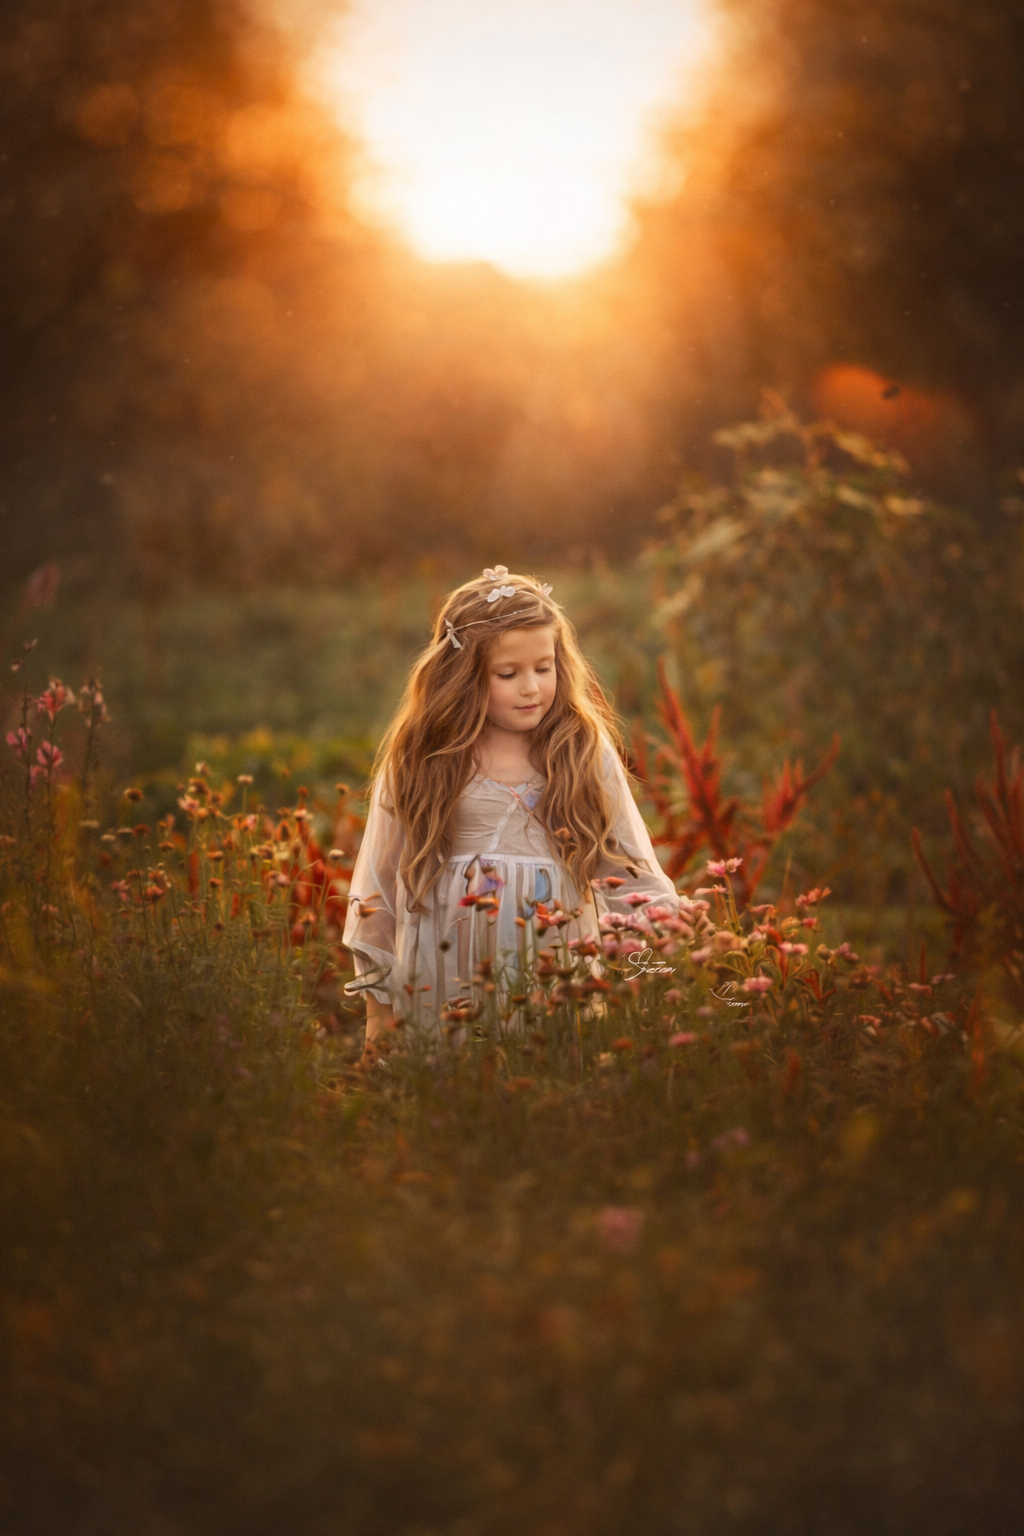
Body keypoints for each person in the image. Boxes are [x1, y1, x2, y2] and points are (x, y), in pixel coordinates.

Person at [341, 564, 683, 1067]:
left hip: (553, 969)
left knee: (547, 1085)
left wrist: (661, 975)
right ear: (463, 676)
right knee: (454, 1099)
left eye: (544, 668)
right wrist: (378, 1022)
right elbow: (377, 887)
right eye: (508, 674)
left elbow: (626, 868)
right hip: (444, 971)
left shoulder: (579, 748)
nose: (532, 688)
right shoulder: (424, 755)